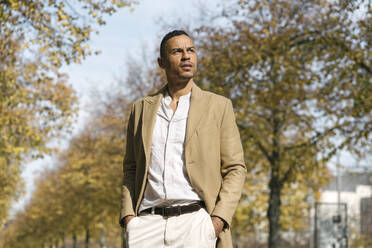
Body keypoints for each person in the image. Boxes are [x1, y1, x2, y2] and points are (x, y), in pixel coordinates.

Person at [120, 30, 246, 248]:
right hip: (146, 225)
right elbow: (131, 168)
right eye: (177, 51)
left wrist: (218, 220)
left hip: (196, 224)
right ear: (162, 62)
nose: (186, 56)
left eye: (191, 50)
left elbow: (235, 167)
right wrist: (129, 217)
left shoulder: (218, 106)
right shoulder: (141, 109)